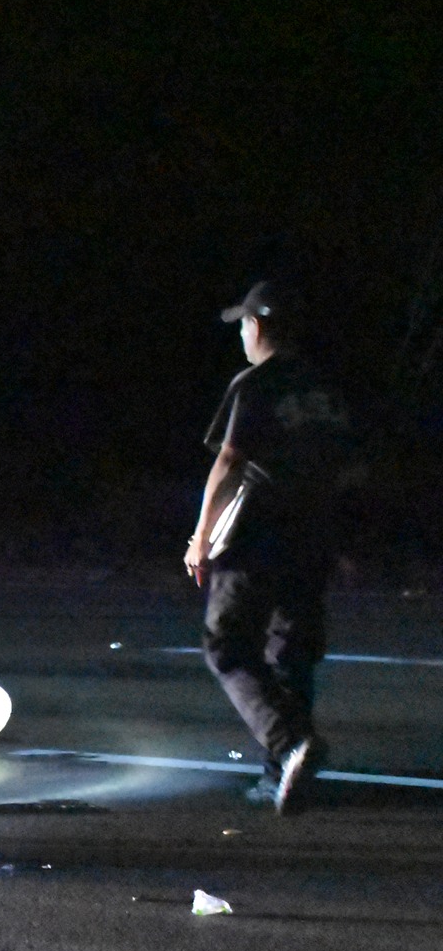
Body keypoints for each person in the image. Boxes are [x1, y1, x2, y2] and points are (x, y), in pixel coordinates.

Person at [185, 279, 356, 815]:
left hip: (260, 528)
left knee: (228, 643)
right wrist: (346, 541)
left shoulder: (256, 384)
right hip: (315, 530)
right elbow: (350, 469)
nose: (241, 334)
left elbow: (231, 460)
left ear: (257, 325)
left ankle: (289, 746)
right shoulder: (326, 392)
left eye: (242, 325)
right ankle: (284, 774)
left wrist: (202, 537)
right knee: (292, 652)